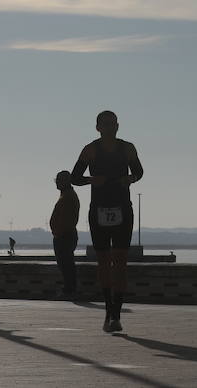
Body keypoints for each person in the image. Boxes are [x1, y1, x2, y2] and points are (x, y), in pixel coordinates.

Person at [71, 110, 143, 333]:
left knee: (120, 262)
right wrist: (93, 179)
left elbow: (139, 172)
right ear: (98, 128)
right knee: (103, 262)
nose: (110, 127)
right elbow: (75, 177)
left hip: (122, 209)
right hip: (99, 210)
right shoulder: (90, 149)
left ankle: (116, 316)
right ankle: (108, 311)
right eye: (106, 124)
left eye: (113, 124)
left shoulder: (127, 147)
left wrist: (130, 179)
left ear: (118, 126)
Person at [49, 170, 80, 298]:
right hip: (63, 235)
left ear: (65, 181)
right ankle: (69, 288)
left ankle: (69, 289)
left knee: (66, 264)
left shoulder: (68, 197)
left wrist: (59, 233)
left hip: (64, 236)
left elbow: (66, 220)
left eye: (59, 180)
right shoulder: (66, 195)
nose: (57, 183)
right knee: (65, 263)